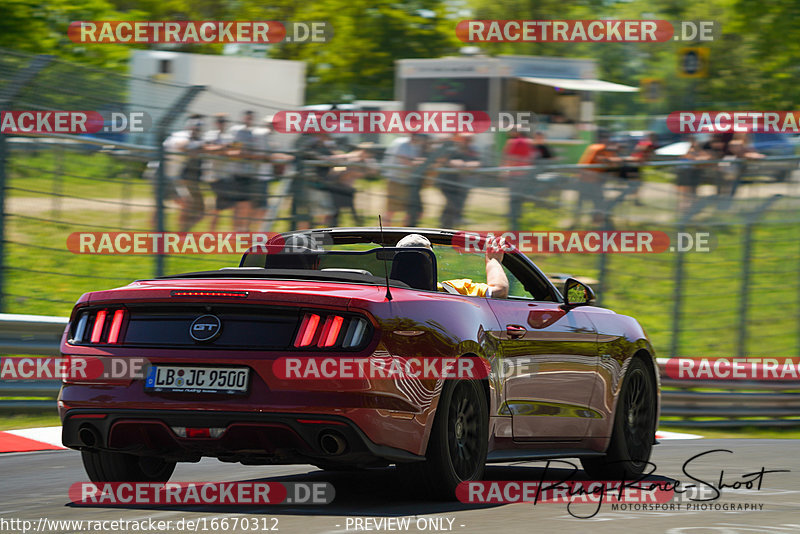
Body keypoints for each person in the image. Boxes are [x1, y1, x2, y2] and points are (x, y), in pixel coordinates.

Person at [396, 234, 509, 298]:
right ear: (431, 261)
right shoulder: (453, 290)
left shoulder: (381, 292)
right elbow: (499, 291)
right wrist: (493, 260)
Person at [382, 133, 426, 226]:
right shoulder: (402, 145)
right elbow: (406, 162)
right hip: (396, 181)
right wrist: (425, 162)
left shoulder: (418, 146)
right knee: (391, 210)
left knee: (411, 211)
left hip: (408, 182)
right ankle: (383, 233)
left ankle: (404, 231)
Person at [228, 110, 261, 231]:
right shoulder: (238, 132)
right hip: (238, 172)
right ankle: (235, 229)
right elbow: (234, 152)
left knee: (248, 203)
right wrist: (247, 154)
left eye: (251, 118)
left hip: (250, 173)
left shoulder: (254, 133)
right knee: (238, 204)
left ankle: (244, 230)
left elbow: (256, 152)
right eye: (247, 118)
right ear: (243, 118)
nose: (249, 120)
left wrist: (249, 154)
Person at [438, 133, 480, 228]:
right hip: (446, 182)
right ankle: (446, 225)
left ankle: (447, 224)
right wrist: (463, 165)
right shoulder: (452, 149)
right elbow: (450, 161)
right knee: (453, 203)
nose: (467, 142)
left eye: (469, 140)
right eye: (465, 140)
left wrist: (464, 165)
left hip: (461, 183)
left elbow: (477, 163)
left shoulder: (471, 150)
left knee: (456, 204)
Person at [203, 113, 234, 232]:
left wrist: (221, 149)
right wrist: (225, 148)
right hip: (213, 176)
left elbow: (235, 153)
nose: (222, 124)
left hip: (225, 175)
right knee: (221, 205)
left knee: (220, 206)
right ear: (216, 123)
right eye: (220, 121)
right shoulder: (210, 135)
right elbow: (208, 149)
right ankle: (211, 232)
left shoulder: (229, 137)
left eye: (224, 121)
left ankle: (212, 232)